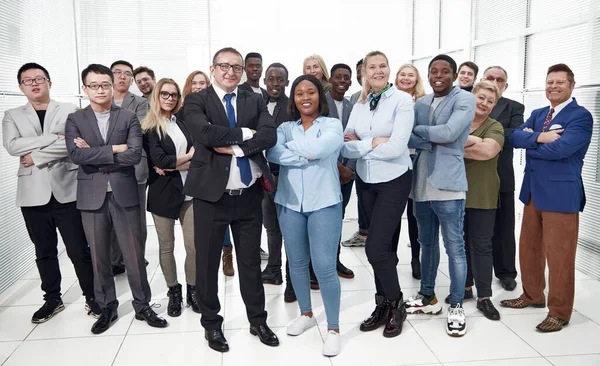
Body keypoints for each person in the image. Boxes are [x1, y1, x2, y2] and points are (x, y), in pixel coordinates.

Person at [183, 47, 278, 352]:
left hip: (248, 196)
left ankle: (257, 320)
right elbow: (205, 133)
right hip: (211, 199)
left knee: (250, 263)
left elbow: (269, 136)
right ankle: (212, 325)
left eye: (236, 67)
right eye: (224, 66)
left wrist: (236, 147)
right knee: (208, 265)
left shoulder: (255, 98)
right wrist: (245, 133)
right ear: (212, 69)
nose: (230, 72)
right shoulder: (197, 99)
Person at [65, 63, 167, 334]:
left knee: (134, 254)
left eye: (105, 85)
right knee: (99, 256)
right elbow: (76, 156)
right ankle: (107, 305)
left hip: (125, 192)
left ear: (113, 86)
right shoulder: (76, 119)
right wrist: (113, 149)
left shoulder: (128, 117)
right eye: (94, 85)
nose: (100, 90)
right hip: (91, 196)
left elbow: (134, 155)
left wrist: (96, 151)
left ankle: (142, 304)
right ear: (85, 88)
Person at [2, 62, 100, 323]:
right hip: (32, 195)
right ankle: (52, 299)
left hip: (67, 191)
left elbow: (73, 145)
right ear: (21, 86)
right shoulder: (12, 115)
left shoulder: (68, 110)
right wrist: (51, 139)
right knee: (44, 250)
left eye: (39, 79)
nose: (34, 83)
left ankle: (92, 297)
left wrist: (35, 156)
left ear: (49, 82)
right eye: (27, 80)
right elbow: (12, 146)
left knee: (79, 249)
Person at [502, 63, 593, 332]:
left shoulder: (580, 116)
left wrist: (532, 144)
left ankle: (560, 311)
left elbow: (561, 150)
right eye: (549, 81)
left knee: (560, 256)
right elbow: (513, 137)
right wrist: (542, 137)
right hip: (533, 193)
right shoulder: (539, 113)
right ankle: (532, 295)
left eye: (560, 82)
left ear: (572, 85)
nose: (553, 86)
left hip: (561, 195)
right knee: (529, 248)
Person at [267, 74, 344, 357]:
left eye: (310, 92)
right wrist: (309, 155)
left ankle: (334, 328)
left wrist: (298, 151)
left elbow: (325, 148)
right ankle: (306, 313)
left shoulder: (332, 124)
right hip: (290, 203)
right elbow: (273, 153)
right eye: (299, 93)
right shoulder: (286, 127)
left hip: (324, 202)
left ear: (319, 97)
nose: (305, 98)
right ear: (293, 99)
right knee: (297, 263)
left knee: (324, 266)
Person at [341, 51, 414, 338]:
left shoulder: (403, 101)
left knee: (374, 248)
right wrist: (374, 142)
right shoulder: (359, 104)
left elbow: (397, 148)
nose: (378, 71)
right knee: (386, 250)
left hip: (394, 180)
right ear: (364, 73)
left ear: (389, 69)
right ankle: (382, 305)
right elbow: (345, 145)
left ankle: (397, 305)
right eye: (372, 67)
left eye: (383, 65)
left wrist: (362, 144)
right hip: (366, 181)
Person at [405, 54, 476, 338]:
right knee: (427, 245)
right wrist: (428, 136)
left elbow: (449, 133)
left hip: (449, 186)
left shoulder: (465, 99)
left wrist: (420, 131)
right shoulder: (421, 102)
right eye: (433, 71)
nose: (438, 76)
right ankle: (427, 296)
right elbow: (406, 138)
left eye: (444, 71)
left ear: (455, 74)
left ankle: (456, 305)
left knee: (455, 248)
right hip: (421, 184)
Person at [445, 81, 504, 321]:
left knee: (481, 246)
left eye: (491, 101)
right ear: (471, 97)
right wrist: (473, 143)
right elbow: (441, 143)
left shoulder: (495, 126)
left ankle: (485, 297)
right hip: (453, 193)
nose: (485, 104)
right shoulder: (456, 120)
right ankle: (465, 288)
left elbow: (488, 151)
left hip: (482, 195)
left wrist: (454, 145)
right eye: (481, 98)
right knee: (457, 246)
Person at [142, 78, 200, 316]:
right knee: (167, 247)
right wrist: (186, 159)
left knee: (194, 246)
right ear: (157, 96)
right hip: (163, 193)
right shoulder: (149, 127)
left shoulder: (182, 123)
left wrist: (177, 164)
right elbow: (160, 161)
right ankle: (173, 292)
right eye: (165, 94)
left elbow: (198, 155)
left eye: (174, 95)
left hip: (189, 191)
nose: (170, 98)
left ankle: (193, 291)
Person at [181, 70, 237, 276]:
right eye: (193, 82)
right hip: (187, 174)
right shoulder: (182, 112)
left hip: (212, 172)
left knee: (222, 219)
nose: (198, 86)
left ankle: (227, 254)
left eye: (202, 83)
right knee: (197, 236)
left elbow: (215, 138)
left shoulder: (217, 110)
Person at [481, 66, 524, 291]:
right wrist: (498, 135)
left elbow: (515, 136)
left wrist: (481, 137)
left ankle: (506, 271)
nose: (494, 82)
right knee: (475, 228)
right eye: (490, 77)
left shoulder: (514, 107)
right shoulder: (470, 104)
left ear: (505, 86)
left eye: (499, 80)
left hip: (501, 175)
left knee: (504, 227)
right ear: (482, 80)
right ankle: (473, 275)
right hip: (473, 174)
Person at [109, 60, 150, 276]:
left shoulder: (140, 103)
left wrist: (107, 144)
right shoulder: (101, 99)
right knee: (112, 215)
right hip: (107, 169)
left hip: (135, 168)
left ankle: (136, 257)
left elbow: (139, 132)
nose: (122, 76)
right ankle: (116, 259)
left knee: (136, 216)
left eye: (127, 73)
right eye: (118, 72)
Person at [259, 63, 292, 292]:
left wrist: (280, 173)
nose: (275, 84)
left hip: (284, 177)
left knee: (290, 228)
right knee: (270, 226)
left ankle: (293, 276)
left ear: (286, 83)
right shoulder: (257, 104)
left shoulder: (292, 106)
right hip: (262, 176)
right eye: (271, 79)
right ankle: (273, 268)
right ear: (265, 81)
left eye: (280, 80)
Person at [394, 63, 426, 280]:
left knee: (415, 214)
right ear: (397, 78)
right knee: (393, 213)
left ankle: (416, 258)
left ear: (417, 80)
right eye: (403, 75)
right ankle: (390, 257)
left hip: (416, 160)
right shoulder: (389, 99)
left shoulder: (423, 103)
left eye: (410, 75)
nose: (406, 78)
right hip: (394, 160)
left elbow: (424, 134)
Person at [326, 63, 355, 279]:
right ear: (330, 79)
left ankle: (334, 260)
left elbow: (358, 137)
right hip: (325, 172)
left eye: (346, 78)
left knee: (339, 218)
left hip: (347, 175)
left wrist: (349, 170)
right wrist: (337, 167)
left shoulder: (352, 105)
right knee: (324, 219)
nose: (342, 81)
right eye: (338, 77)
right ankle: (321, 264)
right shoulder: (321, 103)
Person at [343, 58, 369, 247]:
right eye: (359, 71)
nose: (363, 75)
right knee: (362, 197)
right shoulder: (354, 98)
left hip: (378, 158)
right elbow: (349, 134)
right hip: (357, 159)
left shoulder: (392, 97)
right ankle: (364, 232)